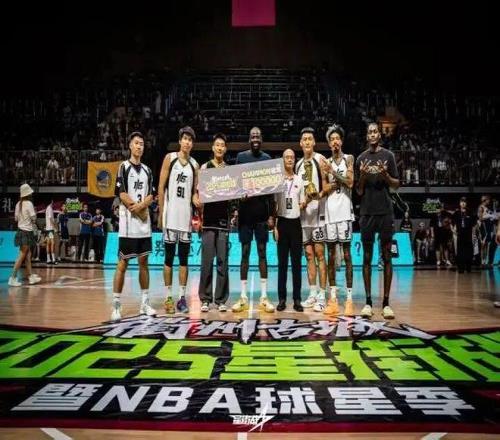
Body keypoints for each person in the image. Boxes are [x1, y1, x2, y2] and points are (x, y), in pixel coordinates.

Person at [355, 122, 400, 319]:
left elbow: (396, 185)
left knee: (387, 257)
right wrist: (363, 177)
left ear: (379, 135)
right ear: (367, 136)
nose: (372, 134)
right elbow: (358, 191)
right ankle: (368, 303)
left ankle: (386, 303)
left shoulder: (389, 156)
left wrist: (386, 176)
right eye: (370, 132)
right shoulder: (361, 159)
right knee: (366, 258)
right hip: (367, 213)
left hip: (385, 212)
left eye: (375, 131)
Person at [111, 131, 156, 321]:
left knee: (144, 263)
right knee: (123, 263)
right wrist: (137, 208)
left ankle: (144, 303)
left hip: (144, 225)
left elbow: (151, 195)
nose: (139, 146)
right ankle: (116, 304)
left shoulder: (147, 170)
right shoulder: (123, 167)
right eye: (136, 143)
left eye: (142, 144)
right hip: (128, 225)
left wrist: (142, 206)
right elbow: (121, 193)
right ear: (130, 146)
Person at [231, 127, 275, 313]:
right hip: (245, 215)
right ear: (249, 139)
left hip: (262, 216)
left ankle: (264, 296)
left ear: (261, 139)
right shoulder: (241, 158)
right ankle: (243, 296)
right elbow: (235, 186)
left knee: (262, 253)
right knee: (245, 254)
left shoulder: (267, 159)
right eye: (252, 136)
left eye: (258, 136)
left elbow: (272, 190)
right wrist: (236, 207)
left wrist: (272, 215)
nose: (255, 138)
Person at [158, 126, 201, 314]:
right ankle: (168, 297)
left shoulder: (195, 165)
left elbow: (194, 192)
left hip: (185, 220)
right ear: (180, 140)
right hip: (170, 217)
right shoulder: (170, 158)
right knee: (168, 259)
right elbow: (161, 187)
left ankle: (182, 298)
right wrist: (161, 214)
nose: (187, 142)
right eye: (185, 139)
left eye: (190, 140)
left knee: (184, 260)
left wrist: (197, 201)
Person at [198, 133, 235, 312]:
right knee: (207, 262)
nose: (220, 148)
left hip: (223, 222)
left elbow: (234, 196)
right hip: (207, 222)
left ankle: (220, 300)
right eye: (217, 145)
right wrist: (198, 215)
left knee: (222, 261)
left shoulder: (229, 170)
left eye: (222, 145)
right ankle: (205, 299)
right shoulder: (205, 168)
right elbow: (198, 194)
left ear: (225, 149)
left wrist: (234, 211)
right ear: (213, 148)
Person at [321, 124, 355, 315]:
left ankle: (349, 299)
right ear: (329, 143)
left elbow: (350, 182)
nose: (335, 141)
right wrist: (334, 183)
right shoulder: (325, 162)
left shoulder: (349, 158)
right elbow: (325, 189)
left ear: (341, 141)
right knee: (331, 256)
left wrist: (333, 174)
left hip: (345, 213)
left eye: (337, 139)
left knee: (347, 255)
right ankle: (333, 298)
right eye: (331, 139)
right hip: (330, 214)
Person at [295, 127, 328, 311]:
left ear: (314, 142)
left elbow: (327, 186)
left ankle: (322, 296)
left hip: (318, 215)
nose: (307, 142)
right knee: (308, 256)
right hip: (303, 217)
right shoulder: (298, 164)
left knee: (320, 254)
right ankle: (313, 293)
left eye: (310, 139)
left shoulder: (320, 159)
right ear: (301, 143)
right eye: (304, 139)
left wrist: (317, 196)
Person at [274, 149, 305, 312]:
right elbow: (274, 205)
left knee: (297, 264)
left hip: (295, 224)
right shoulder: (277, 180)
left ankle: (297, 299)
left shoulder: (299, 180)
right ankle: (282, 299)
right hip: (282, 223)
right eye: (287, 157)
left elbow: (302, 203)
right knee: (282, 264)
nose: (290, 160)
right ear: (282, 160)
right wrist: (274, 227)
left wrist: (305, 203)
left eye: (292, 157)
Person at [8, 184, 41, 287]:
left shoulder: (18, 204)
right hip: (27, 232)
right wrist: (33, 214)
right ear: (28, 194)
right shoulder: (29, 204)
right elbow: (34, 218)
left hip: (20, 231)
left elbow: (16, 219)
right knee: (22, 255)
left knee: (28, 255)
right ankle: (12, 277)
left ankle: (31, 277)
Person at [452, 197, 475, 273]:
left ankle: (468, 267)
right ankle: (461, 268)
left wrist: (473, 234)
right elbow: (451, 223)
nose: (463, 203)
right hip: (460, 235)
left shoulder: (470, 212)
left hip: (468, 235)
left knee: (469, 252)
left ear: (466, 203)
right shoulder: (456, 213)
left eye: (464, 202)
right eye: (462, 202)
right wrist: (454, 231)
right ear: (459, 203)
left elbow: (474, 225)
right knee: (460, 252)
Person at [478, 195, 497, 268]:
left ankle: (485, 261)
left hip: (488, 229)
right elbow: (480, 218)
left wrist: (492, 217)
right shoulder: (481, 207)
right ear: (485, 200)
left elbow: (492, 217)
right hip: (483, 228)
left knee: (487, 245)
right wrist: (488, 216)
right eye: (488, 200)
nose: (489, 201)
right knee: (483, 245)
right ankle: (482, 261)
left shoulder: (487, 208)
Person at [45, 200, 57, 265]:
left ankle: (48, 259)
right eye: (52, 201)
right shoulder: (49, 208)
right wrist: (54, 227)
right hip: (50, 229)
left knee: (48, 244)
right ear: (51, 201)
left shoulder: (48, 208)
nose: (53, 203)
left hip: (48, 229)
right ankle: (53, 260)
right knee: (52, 243)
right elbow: (50, 218)